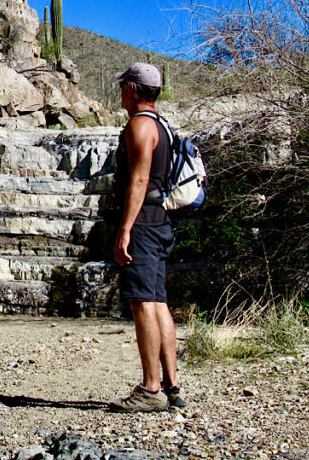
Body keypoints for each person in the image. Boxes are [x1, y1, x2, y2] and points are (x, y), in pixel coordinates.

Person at [107, 62, 185, 412]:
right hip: (161, 220)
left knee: (142, 303)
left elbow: (138, 181)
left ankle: (151, 388)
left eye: (124, 85)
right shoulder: (163, 127)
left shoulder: (139, 126)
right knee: (158, 301)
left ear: (134, 90)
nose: (121, 91)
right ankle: (172, 385)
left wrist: (124, 230)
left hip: (143, 224)